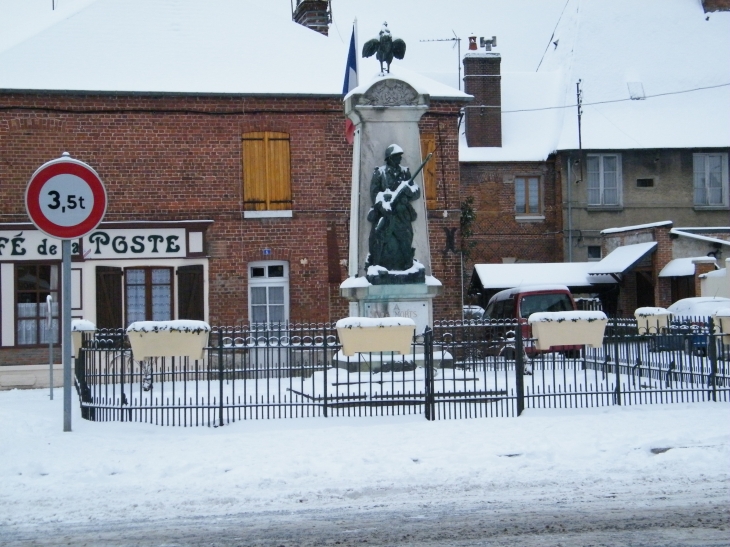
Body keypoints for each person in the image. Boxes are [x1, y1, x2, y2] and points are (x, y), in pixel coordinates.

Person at [366, 144, 420, 272]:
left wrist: (407, 191)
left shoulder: (405, 172)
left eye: (400, 157)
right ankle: (376, 266)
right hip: (387, 213)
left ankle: (408, 267)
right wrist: (383, 206)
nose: (399, 159)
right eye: (396, 157)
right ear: (389, 158)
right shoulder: (380, 172)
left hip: (402, 215)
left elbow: (416, 192)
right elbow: (375, 194)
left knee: (406, 240)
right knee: (379, 240)